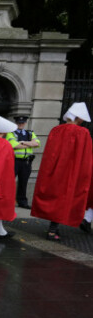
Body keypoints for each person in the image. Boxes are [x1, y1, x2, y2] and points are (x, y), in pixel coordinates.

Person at [32, 102, 93, 241]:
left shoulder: (56, 130)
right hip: (71, 171)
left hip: (55, 169)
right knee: (64, 199)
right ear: (78, 117)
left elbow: (49, 153)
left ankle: (54, 228)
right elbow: (86, 156)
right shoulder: (83, 133)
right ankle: (52, 231)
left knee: (56, 198)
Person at [5, 116, 40, 209]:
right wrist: (29, 144)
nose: (21, 124)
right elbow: (14, 145)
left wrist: (23, 142)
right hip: (15, 161)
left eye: (22, 123)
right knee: (9, 182)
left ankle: (22, 202)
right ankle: (6, 201)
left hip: (26, 162)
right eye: (19, 123)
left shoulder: (30, 133)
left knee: (23, 182)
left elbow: (37, 144)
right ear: (15, 123)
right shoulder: (10, 134)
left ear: (25, 123)